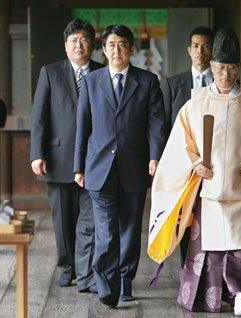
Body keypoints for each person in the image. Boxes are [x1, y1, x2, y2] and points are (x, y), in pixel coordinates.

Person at [148, 28, 241, 316]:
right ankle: (214, 298)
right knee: (210, 253)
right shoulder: (195, 103)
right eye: (221, 67)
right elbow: (179, 145)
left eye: (231, 68)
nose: (226, 74)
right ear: (212, 67)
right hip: (208, 196)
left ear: (239, 68)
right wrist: (194, 164)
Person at [74, 24, 167, 307]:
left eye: (122, 44)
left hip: (135, 166)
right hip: (99, 167)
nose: (116, 50)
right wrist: (78, 166)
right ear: (104, 50)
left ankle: (126, 281)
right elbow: (83, 126)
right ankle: (105, 283)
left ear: (131, 49)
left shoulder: (148, 81)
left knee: (129, 228)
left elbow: (156, 124)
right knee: (105, 229)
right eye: (111, 45)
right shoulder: (91, 82)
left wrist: (155, 157)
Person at [30, 18, 104, 292]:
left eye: (83, 39)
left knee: (92, 218)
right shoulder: (50, 72)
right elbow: (39, 117)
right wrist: (37, 153)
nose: (78, 45)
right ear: (65, 45)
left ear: (92, 45)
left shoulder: (102, 72)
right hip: (59, 157)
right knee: (62, 219)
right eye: (73, 40)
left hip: (94, 159)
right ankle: (66, 266)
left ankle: (88, 269)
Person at [162, 26, 214, 131]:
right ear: (189, 50)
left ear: (213, 50)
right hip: (181, 144)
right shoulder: (171, 85)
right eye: (196, 46)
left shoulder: (222, 82)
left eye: (205, 46)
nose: (200, 51)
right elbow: (163, 124)